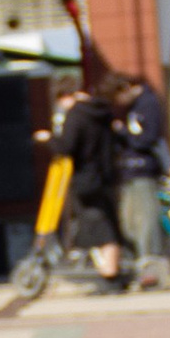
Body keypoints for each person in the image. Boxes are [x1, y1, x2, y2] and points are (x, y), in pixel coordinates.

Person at [55, 68, 128, 283]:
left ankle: (109, 273)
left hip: (86, 178)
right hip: (107, 175)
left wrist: (48, 139)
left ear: (64, 96)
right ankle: (110, 267)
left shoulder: (76, 114)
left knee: (98, 225)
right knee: (107, 220)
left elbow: (67, 146)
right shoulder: (102, 111)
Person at [114, 68, 170, 284]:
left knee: (146, 221)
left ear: (126, 88)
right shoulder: (135, 106)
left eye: (118, 96)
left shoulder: (148, 104)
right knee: (130, 222)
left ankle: (152, 269)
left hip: (144, 169)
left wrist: (123, 133)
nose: (118, 102)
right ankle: (145, 265)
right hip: (131, 170)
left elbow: (147, 138)